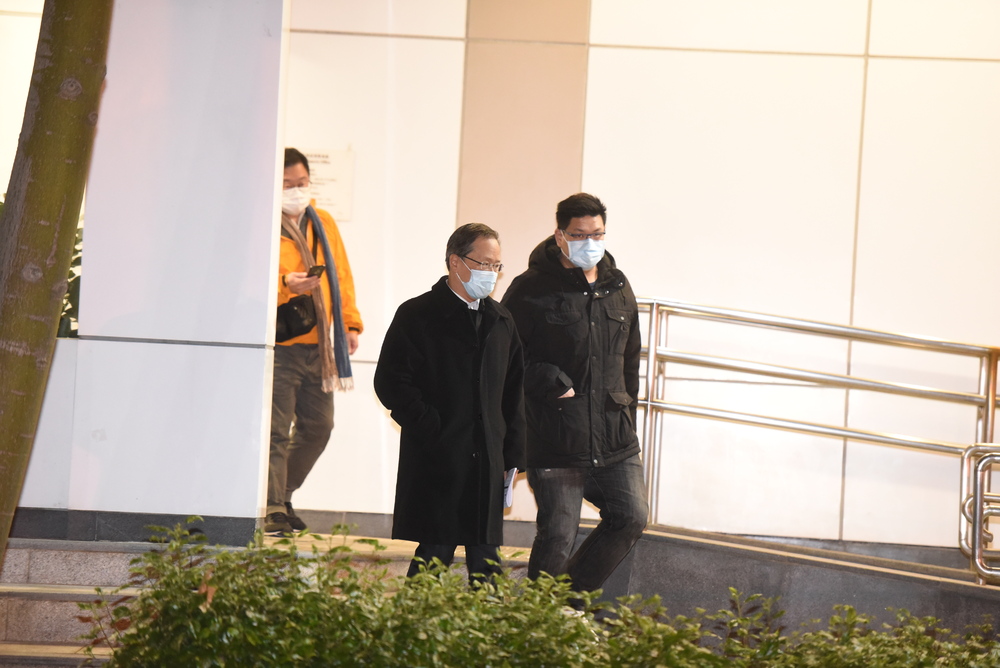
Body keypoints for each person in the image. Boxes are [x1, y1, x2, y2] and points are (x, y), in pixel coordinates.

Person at [501, 192, 648, 597]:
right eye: (580, 235)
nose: (590, 243)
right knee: (557, 536)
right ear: (560, 235)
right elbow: (505, 358)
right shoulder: (529, 289)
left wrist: (627, 415)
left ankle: (567, 601)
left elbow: (629, 358)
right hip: (556, 435)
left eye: (597, 234)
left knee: (631, 516)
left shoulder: (617, 285)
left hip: (614, 435)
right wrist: (547, 377)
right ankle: (539, 622)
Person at [374, 223, 526, 582]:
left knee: (486, 557)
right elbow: (391, 382)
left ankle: (488, 630)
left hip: (487, 457)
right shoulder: (417, 315)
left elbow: (513, 392)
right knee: (434, 550)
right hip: (438, 454)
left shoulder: (501, 321)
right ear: (455, 262)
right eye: (484, 264)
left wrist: (513, 455)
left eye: (496, 266)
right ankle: (413, 632)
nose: (491, 274)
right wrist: (432, 426)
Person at [265, 148, 363, 535]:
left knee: (319, 427)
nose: (296, 190)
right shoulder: (265, 222)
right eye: (288, 184)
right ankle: (272, 507)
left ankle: (281, 494)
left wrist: (351, 324)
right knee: (275, 429)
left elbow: (341, 275)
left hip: (319, 346)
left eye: (302, 183)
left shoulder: (322, 222)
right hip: (281, 344)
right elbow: (250, 277)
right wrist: (285, 284)